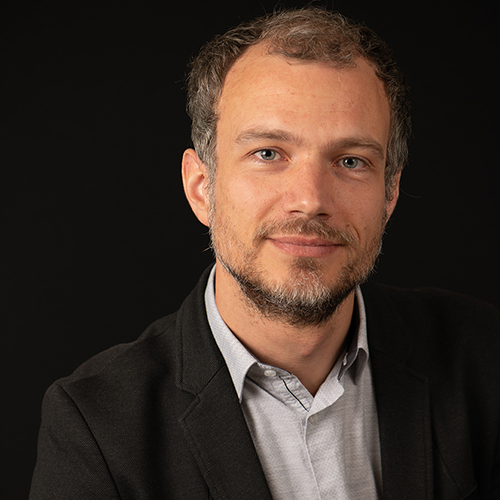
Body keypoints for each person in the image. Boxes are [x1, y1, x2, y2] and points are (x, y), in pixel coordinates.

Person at [30, 7, 499, 499]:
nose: (310, 200)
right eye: (268, 153)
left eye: (351, 161)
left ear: (390, 193)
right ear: (201, 187)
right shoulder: (96, 428)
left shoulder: (482, 358)